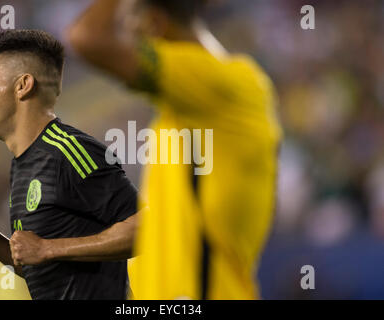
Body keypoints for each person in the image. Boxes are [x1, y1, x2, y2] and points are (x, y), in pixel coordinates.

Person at [67, 0, 282, 299]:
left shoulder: (224, 85)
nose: (125, 35)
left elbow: (88, 38)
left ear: (154, 23)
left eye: (129, 21)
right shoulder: (185, 110)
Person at [0, 29, 139, 300]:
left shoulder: (67, 150)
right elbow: (38, 264)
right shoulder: (23, 164)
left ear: (23, 85)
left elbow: (145, 227)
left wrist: (49, 248)